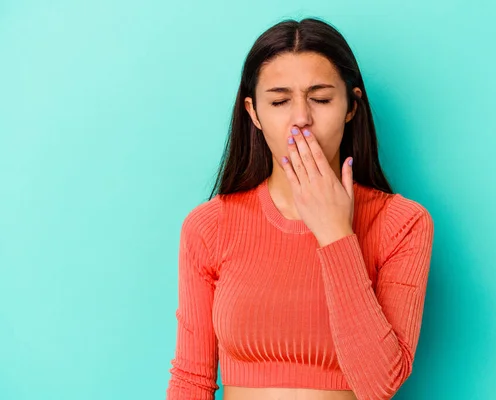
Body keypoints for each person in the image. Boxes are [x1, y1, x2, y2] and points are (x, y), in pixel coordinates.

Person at [165, 17, 434, 400]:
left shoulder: (402, 224)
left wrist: (335, 234)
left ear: (351, 107)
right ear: (254, 113)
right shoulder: (209, 225)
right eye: (278, 101)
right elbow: (191, 380)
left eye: (321, 99)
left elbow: (379, 385)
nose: (301, 119)